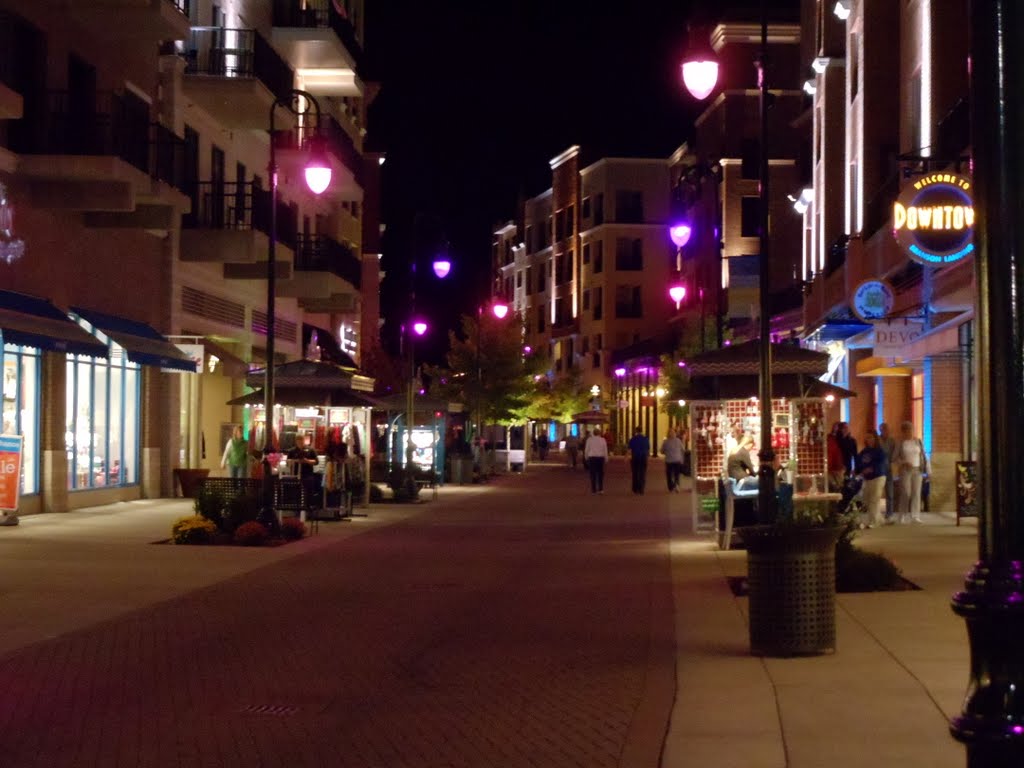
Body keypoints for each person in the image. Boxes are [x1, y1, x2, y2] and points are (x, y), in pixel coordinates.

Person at [892, 421, 928, 524]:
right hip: (905, 470)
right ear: (903, 432)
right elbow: (894, 458)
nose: (909, 432)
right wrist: (903, 462)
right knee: (906, 493)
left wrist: (926, 469)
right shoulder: (900, 443)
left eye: (911, 430)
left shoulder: (918, 441)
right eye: (907, 430)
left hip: (918, 470)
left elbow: (923, 455)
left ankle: (915, 516)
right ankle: (902, 515)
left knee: (916, 493)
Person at [855, 430, 887, 527]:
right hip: (867, 479)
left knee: (874, 499)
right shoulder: (864, 451)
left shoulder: (880, 451)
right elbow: (859, 462)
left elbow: (881, 463)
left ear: (875, 438)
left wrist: (872, 469)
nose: (868, 439)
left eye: (870, 437)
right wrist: (857, 471)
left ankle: (873, 522)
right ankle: (880, 519)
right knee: (868, 500)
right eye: (867, 437)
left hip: (878, 477)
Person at [878, 422, 897, 521]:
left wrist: (892, 462)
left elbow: (894, 453)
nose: (885, 431)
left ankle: (890, 512)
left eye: (887, 429)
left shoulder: (892, 440)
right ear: (880, 430)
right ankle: (877, 512)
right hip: (879, 468)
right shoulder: (878, 440)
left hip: (889, 468)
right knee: (878, 491)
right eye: (883, 429)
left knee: (890, 491)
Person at [584, 427, 609, 494]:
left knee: (593, 474)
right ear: (599, 433)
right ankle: (601, 489)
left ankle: (593, 489)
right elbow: (605, 450)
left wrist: (586, 457)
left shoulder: (589, 440)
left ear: (593, 433)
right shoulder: (603, 440)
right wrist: (606, 458)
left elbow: (586, 449)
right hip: (600, 458)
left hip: (592, 458)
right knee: (600, 474)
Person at [627, 426, 650, 494]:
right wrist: (647, 458)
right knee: (642, 473)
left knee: (635, 473)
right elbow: (648, 450)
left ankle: (635, 489)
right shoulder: (645, 439)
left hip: (635, 458)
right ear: (641, 431)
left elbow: (629, 449)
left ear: (636, 431)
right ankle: (641, 489)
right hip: (643, 458)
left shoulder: (633, 439)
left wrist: (626, 456)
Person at [661, 428, 685, 492]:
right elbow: (683, 449)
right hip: (677, 460)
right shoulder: (678, 441)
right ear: (675, 433)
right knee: (676, 474)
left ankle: (671, 487)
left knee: (669, 475)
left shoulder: (665, 441)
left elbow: (662, 451)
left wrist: (666, 451)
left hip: (669, 460)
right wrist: (681, 458)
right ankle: (677, 485)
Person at [827, 423, 845, 491]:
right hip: (832, 468)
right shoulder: (830, 439)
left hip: (839, 468)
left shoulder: (844, 440)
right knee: (833, 487)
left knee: (838, 487)